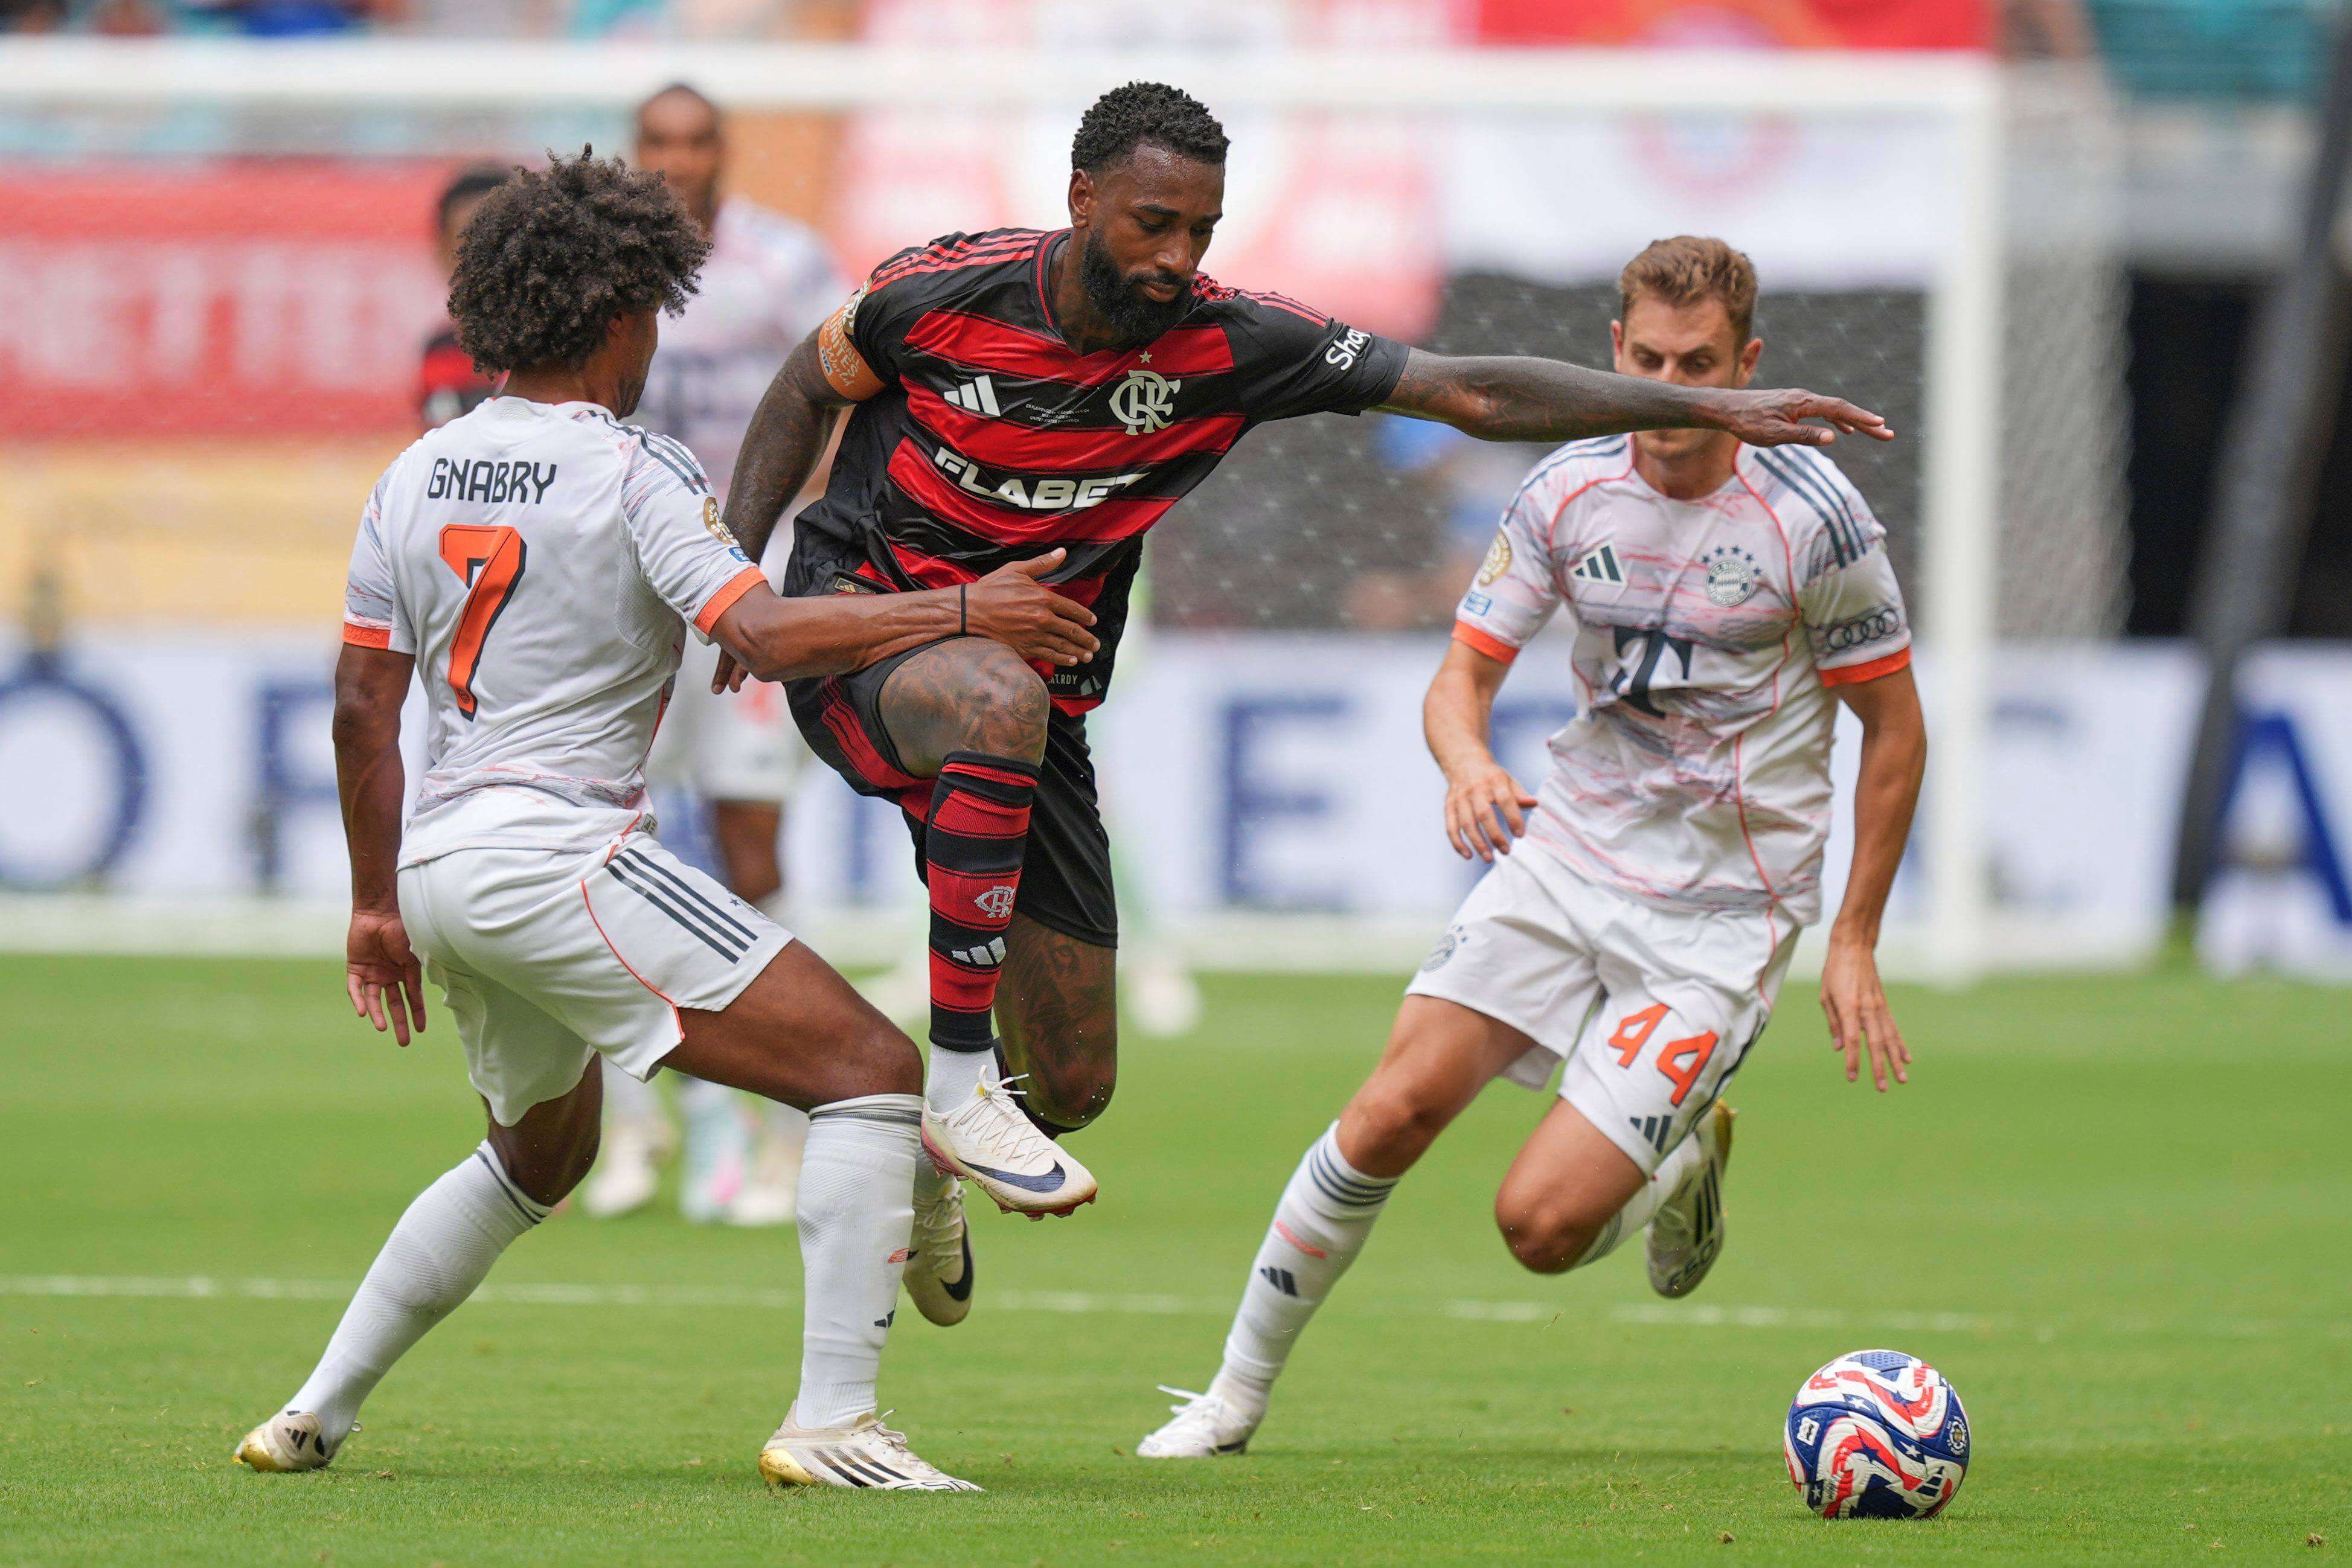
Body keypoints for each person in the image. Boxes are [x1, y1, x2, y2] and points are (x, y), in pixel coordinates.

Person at [713, 84, 1889, 1294]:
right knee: (991, 695)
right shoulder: (940, 293)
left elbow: (1470, 393)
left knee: (1071, 1083)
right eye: (1152, 224)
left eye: (1201, 231)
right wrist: (731, 570)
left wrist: (1702, 405)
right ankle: (955, 1084)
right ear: (1080, 200)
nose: (1177, 258)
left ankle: (937, 1150)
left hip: (1033, 698)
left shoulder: (1230, 344)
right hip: (866, 633)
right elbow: (809, 386)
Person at [232, 150, 1094, 1491]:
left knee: (541, 1147)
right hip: (561, 853)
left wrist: (374, 901)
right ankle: (834, 1420)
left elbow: (360, 705)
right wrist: (968, 607)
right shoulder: (633, 466)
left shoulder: (417, 472)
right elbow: (758, 630)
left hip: (446, 863)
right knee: (869, 1066)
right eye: (652, 312)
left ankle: (314, 1406)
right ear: (621, 314)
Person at [1136, 237, 1928, 1459]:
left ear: (1748, 363)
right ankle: (1231, 1395)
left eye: (1701, 364)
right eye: (1651, 360)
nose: (1672, 390)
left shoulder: (1812, 520)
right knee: (1389, 1109)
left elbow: (1893, 727)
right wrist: (1469, 763)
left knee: (1540, 1227)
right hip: (1565, 858)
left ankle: (1670, 1167)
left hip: (1719, 914)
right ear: (1616, 352)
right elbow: (1461, 676)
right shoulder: (1566, 488)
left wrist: (1856, 938)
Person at [578, 82, 850, 1230]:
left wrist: (811, 525)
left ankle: (785, 1135)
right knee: (596, 839)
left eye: (697, 143)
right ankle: (628, 1131)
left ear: (724, 151)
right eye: (660, 144)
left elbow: (848, 386)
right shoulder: (597, 269)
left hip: (752, 577)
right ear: (637, 154)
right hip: (630, 583)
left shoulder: (786, 264)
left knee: (750, 843)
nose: (679, 162)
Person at [417, 164, 510, 431]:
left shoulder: (560, 350)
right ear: (441, 250)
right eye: (463, 247)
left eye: (494, 244)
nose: (477, 262)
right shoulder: (439, 353)